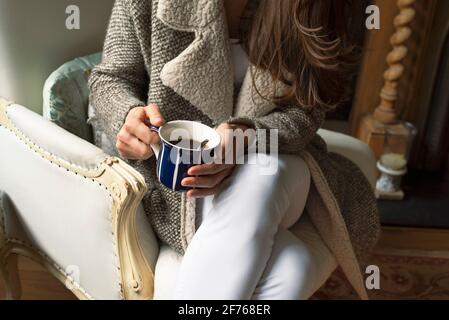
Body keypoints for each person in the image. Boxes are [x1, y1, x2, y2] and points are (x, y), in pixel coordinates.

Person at [89, 0, 380, 300]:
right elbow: (110, 78)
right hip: (181, 184)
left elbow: (307, 112)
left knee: (262, 173)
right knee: (293, 270)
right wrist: (126, 115)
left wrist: (249, 136)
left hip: (280, 166)